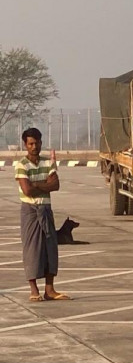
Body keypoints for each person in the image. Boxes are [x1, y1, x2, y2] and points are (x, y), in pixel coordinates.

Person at [14, 128, 71, 302]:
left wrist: (37, 185)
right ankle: (34, 290)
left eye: (37, 143)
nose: (34, 146)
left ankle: (50, 290)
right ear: (25, 145)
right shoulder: (21, 165)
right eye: (31, 143)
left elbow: (55, 185)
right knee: (32, 249)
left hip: (46, 209)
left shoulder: (48, 163)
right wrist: (44, 184)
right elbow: (27, 190)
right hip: (30, 211)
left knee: (50, 248)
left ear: (41, 142)